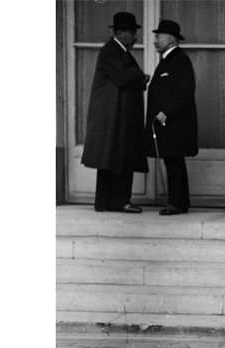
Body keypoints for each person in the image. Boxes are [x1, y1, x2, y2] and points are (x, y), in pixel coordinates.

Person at [82, 11, 149, 214]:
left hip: (120, 118)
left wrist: (136, 77)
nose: (136, 37)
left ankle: (110, 202)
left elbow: (131, 76)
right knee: (114, 158)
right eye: (132, 32)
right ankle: (114, 201)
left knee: (116, 158)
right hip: (113, 118)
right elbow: (126, 77)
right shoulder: (111, 51)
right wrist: (139, 76)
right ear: (120, 33)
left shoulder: (121, 52)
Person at [143, 20, 198, 216]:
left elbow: (186, 90)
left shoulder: (179, 59)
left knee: (174, 162)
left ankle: (177, 203)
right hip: (169, 124)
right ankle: (179, 203)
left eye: (158, 37)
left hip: (175, 123)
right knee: (173, 162)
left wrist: (166, 111)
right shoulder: (169, 59)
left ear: (171, 39)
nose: (154, 41)